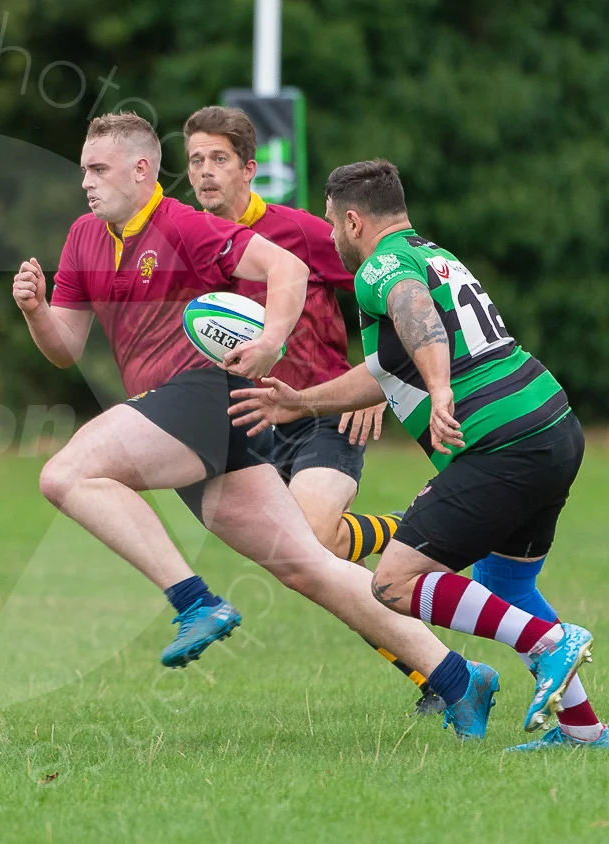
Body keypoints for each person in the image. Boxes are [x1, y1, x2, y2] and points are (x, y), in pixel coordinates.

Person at [12, 114, 499, 739]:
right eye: (83, 169)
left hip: (202, 394)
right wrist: (34, 311)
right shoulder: (83, 237)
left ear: (140, 170)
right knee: (307, 564)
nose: (85, 181)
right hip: (206, 419)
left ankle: (194, 602)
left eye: (97, 169)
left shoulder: (183, 224)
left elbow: (288, 270)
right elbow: (65, 348)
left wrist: (272, 342)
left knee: (66, 473)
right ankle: (458, 678)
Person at [229, 159, 609, 749]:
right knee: (504, 584)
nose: (331, 236)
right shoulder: (432, 253)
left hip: (500, 444)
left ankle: (551, 644)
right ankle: (585, 733)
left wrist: (439, 390)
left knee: (395, 584)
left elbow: (416, 315)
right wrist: (301, 403)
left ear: (353, 220)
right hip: (552, 426)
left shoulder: (381, 267)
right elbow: (385, 369)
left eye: (332, 223)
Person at [183, 106, 432, 709]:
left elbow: (394, 292)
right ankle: (429, 669)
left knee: (314, 544)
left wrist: (379, 383)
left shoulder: (300, 232)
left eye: (219, 159)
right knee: (307, 569)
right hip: (249, 424)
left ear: (250, 168)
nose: (205, 172)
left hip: (324, 413)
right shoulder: (188, 242)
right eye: (195, 160)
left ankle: (402, 533)